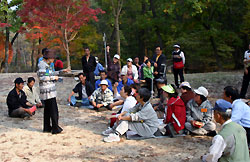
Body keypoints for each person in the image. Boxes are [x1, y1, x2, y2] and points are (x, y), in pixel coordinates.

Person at [38, 49, 63, 134]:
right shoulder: (42, 65)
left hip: (48, 89)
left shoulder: (45, 65)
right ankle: (55, 127)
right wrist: (53, 78)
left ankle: (47, 127)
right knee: (53, 109)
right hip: (47, 90)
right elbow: (42, 77)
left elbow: (49, 73)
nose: (53, 60)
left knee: (48, 109)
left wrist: (60, 72)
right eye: (52, 58)